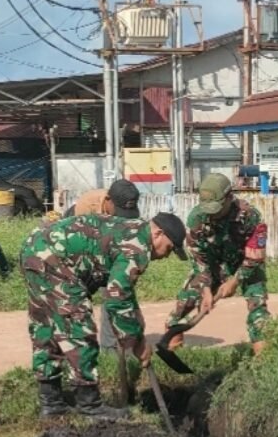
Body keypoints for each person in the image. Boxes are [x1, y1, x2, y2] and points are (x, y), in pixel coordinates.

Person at [20, 211, 188, 420]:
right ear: (158, 234)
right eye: (169, 248)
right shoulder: (137, 247)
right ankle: (89, 405)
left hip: (34, 249)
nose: (165, 256)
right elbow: (117, 297)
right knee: (79, 331)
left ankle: (51, 403)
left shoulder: (135, 229)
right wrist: (136, 342)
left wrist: (136, 316)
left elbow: (121, 287)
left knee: (46, 327)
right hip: (57, 262)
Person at [167, 173, 270, 355]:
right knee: (186, 301)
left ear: (230, 197)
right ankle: (173, 349)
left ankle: (263, 362)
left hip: (246, 264)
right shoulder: (197, 218)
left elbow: (255, 256)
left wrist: (235, 281)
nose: (212, 214)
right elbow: (199, 258)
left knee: (258, 308)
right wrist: (206, 288)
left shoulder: (251, 217)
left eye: (217, 208)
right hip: (214, 265)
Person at [64, 179, 141, 349]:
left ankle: (111, 346)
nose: (123, 217)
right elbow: (85, 247)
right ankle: (77, 345)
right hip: (79, 244)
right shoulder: (87, 208)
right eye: (120, 211)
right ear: (108, 201)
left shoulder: (124, 204)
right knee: (79, 295)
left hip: (108, 246)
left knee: (114, 290)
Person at [63, 178, 140, 219]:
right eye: (118, 210)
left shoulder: (127, 200)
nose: (119, 215)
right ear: (108, 199)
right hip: (74, 218)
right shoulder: (88, 206)